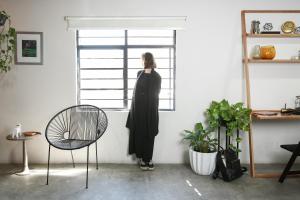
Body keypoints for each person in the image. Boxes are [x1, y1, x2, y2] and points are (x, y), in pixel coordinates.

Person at [126, 52, 161, 171]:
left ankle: (149, 159)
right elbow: (135, 94)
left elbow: (156, 93)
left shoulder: (157, 76)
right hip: (139, 111)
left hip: (151, 110)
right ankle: (141, 158)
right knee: (140, 134)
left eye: (142, 60)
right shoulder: (139, 74)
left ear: (145, 60)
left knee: (150, 134)